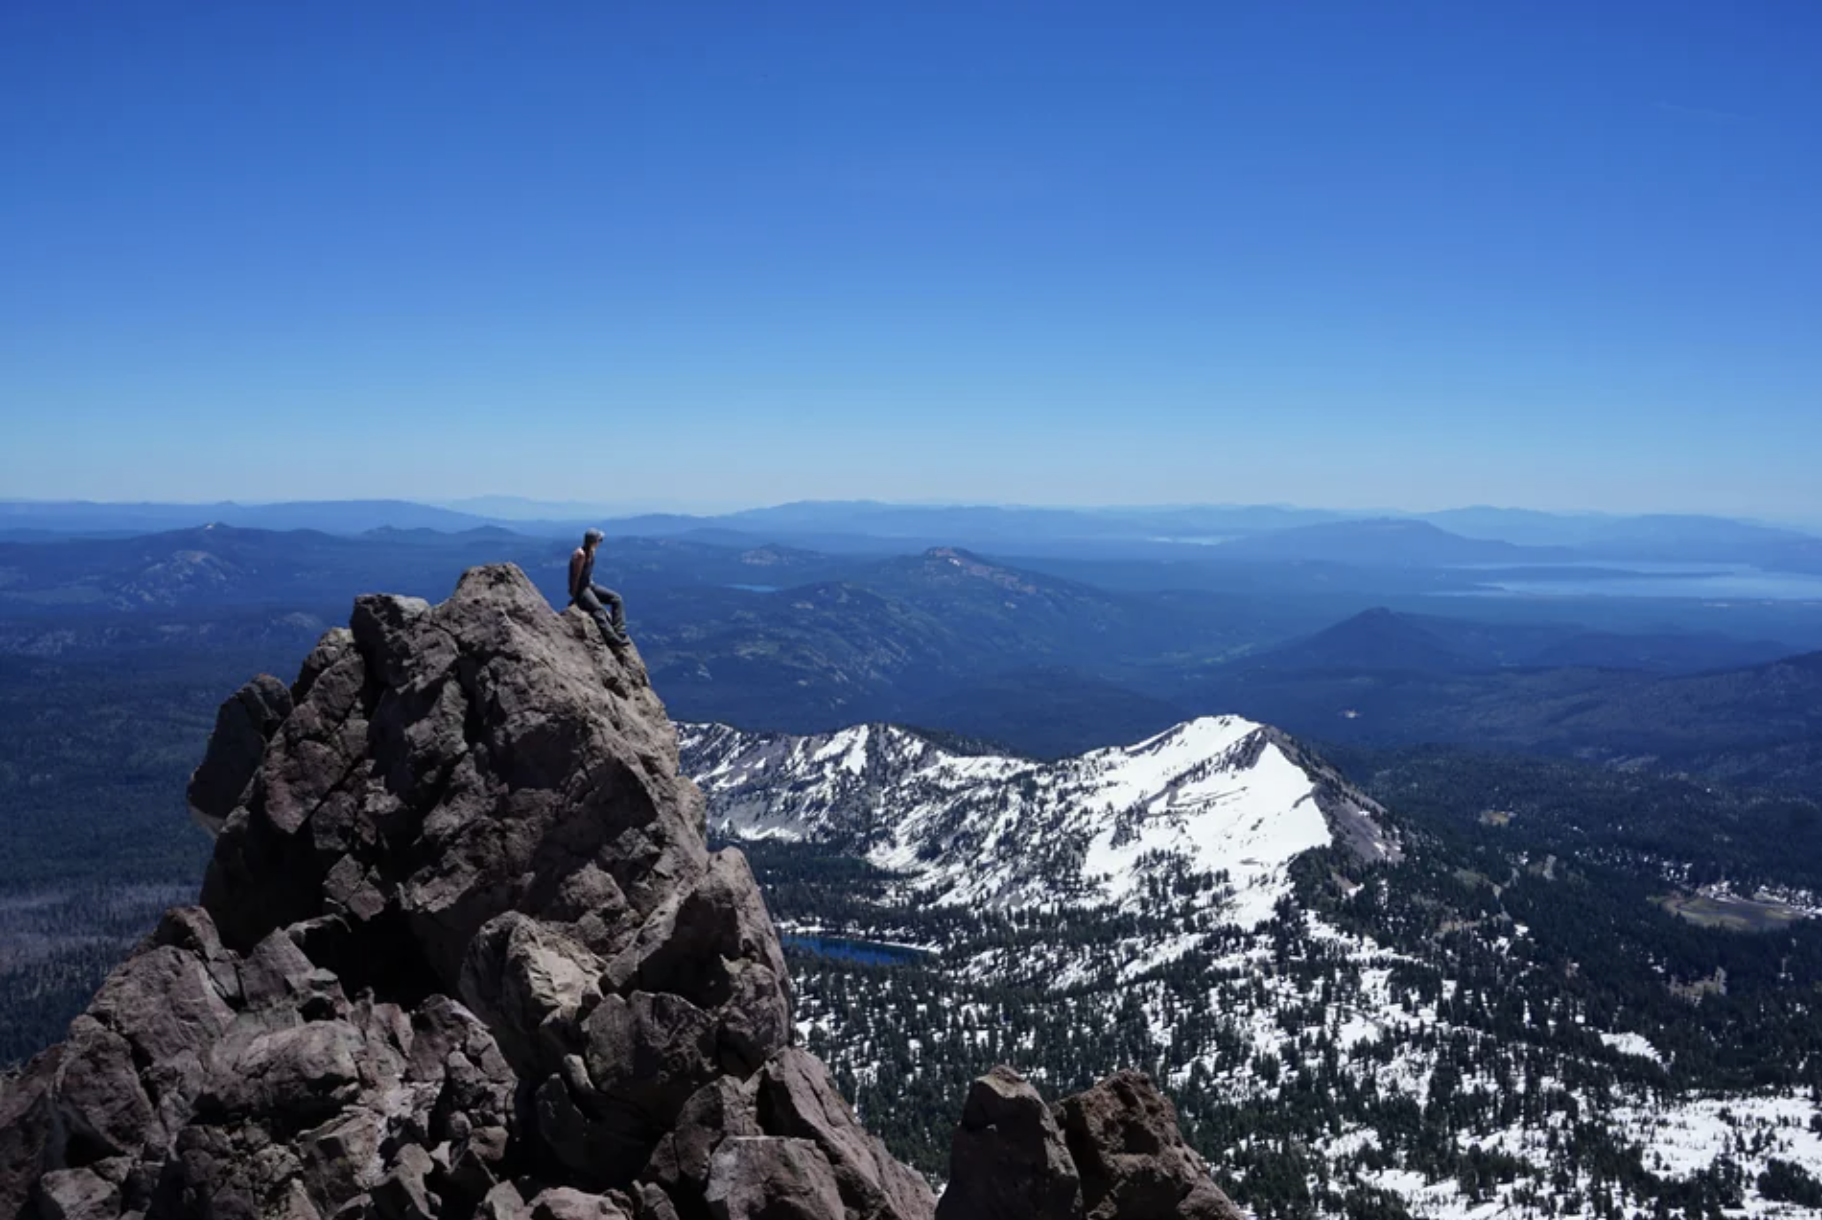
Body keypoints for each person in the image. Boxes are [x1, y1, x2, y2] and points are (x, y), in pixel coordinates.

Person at [569, 528, 629, 647]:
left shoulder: (591, 551)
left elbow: (588, 573)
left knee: (617, 599)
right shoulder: (580, 555)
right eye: (599, 539)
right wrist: (575, 595)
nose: (600, 542)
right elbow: (575, 577)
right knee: (598, 610)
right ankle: (613, 640)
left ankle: (619, 632)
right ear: (593, 541)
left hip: (589, 585)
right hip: (582, 589)